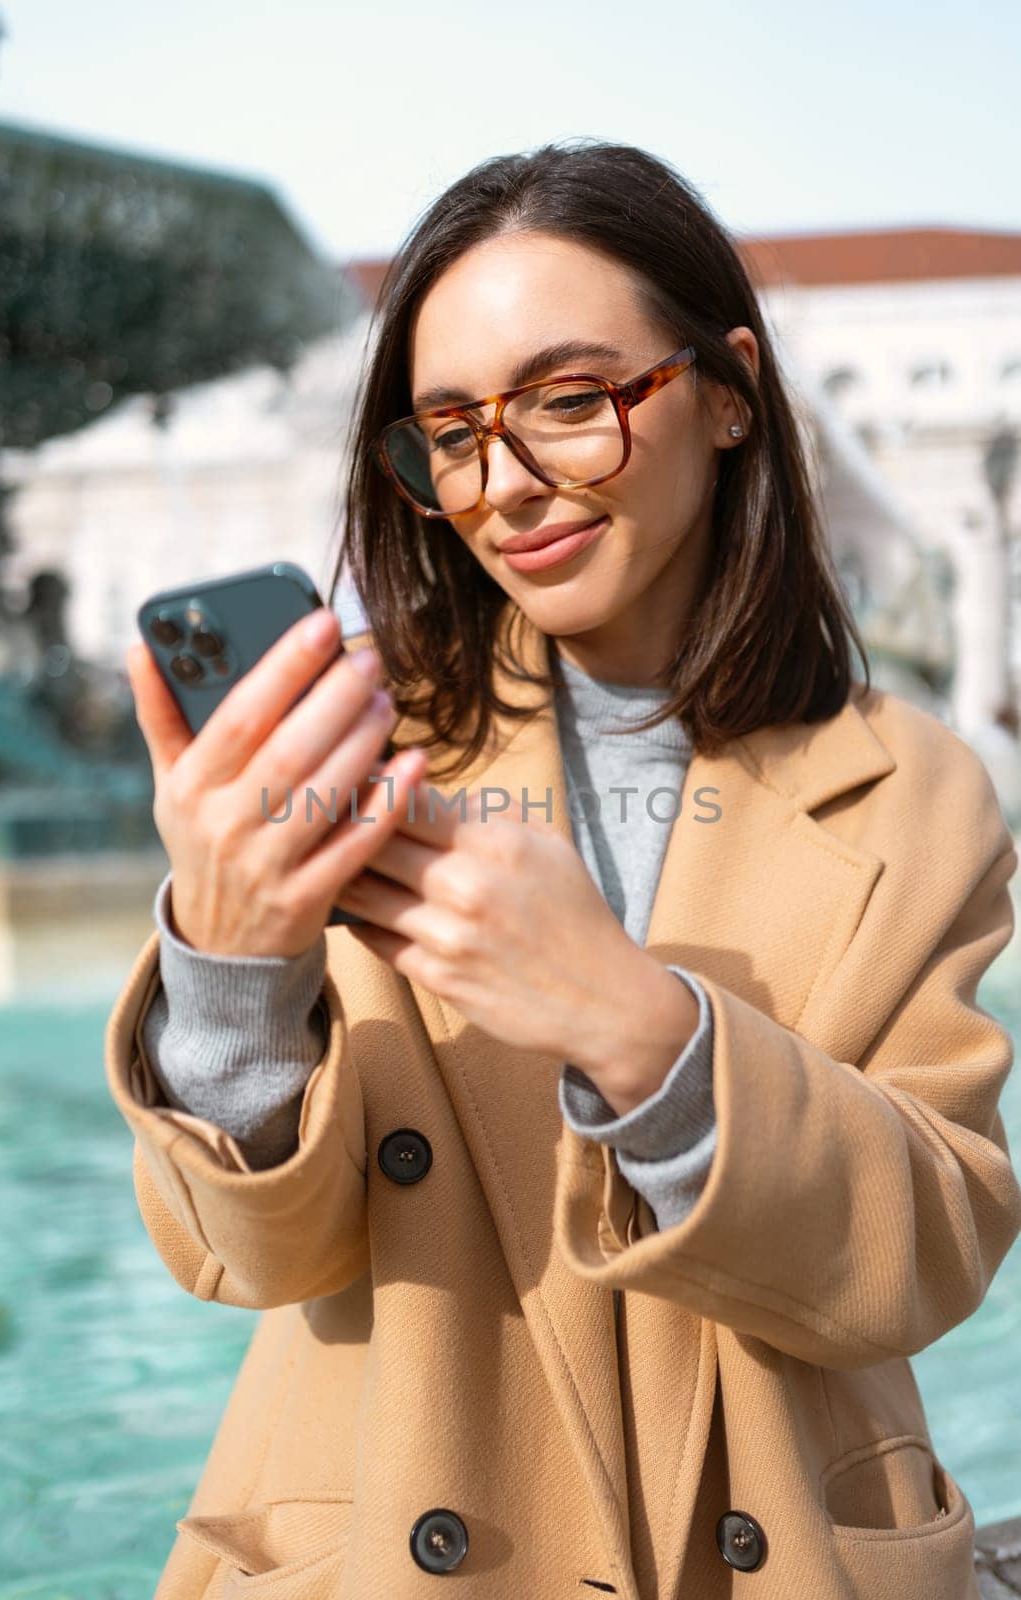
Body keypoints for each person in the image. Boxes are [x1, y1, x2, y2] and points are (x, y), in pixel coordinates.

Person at [109, 139, 1020, 1600]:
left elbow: (931, 1253)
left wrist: (638, 1029)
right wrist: (225, 971)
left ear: (727, 394)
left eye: (569, 401)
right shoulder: (349, 741)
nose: (507, 486)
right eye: (451, 431)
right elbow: (243, 1261)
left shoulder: (915, 789)